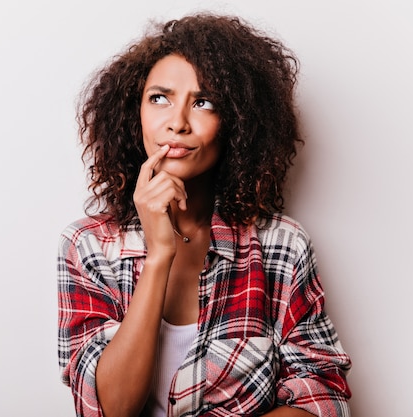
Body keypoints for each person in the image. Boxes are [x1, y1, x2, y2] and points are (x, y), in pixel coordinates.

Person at [57, 12, 352, 417]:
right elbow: (109, 409)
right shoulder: (88, 245)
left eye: (203, 102)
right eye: (159, 98)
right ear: (133, 113)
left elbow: (324, 398)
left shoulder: (280, 245)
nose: (176, 123)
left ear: (236, 122)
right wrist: (159, 255)